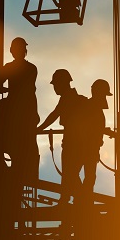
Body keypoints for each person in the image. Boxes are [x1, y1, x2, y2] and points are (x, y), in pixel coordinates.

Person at [0, 37, 39, 182]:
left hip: (22, 109)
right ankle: (9, 169)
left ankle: (5, 169)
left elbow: (0, 84)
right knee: (5, 144)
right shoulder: (30, 68)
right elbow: (0, 85)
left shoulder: (24, 68)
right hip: (24, 109)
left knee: (8, 144)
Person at [37, 68, 89, 203]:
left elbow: (55, 114)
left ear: (62, 83)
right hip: (77, 141)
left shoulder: (68, 98)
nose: (54, 87)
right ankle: (75, 198)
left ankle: (75, 199)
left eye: (55, 84)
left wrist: (39, 129)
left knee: (69, 173)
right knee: (70, 173)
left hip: (73, 142)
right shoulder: (70, 98)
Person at [77, 79, 110, 203]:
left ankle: (84, 198)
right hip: (88, 147)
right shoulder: (91, 107)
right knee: (89, 176)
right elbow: (88, 127)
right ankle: (84, 198)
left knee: (89, 176)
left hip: (90, 147)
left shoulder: (91, 106)